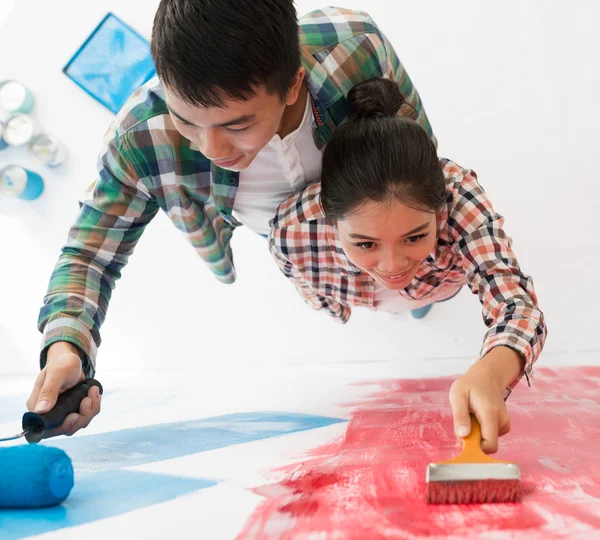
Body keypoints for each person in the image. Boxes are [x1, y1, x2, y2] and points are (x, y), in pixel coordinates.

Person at [26, 1, 435, 438]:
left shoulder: (358, 46)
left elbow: (419, 152)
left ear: (293, 84)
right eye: (187, 121)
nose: (212, 148)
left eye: (237, 126)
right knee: (333, 281)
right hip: (284, 233)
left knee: (413, 275)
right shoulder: (139, 137)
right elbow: (91, 254)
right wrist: (67, 346)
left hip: (375, 197)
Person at [269, 77, 547, 453]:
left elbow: (517, 304)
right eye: (365, 243)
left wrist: (493, 371)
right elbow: (309, 290)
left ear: (439, 211)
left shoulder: (458, 196)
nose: (394, 265)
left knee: (422, 294)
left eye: (415, 236)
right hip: (360, 296)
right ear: (330, 219)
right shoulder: (292, 232)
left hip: (438, 283)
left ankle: (422, 299)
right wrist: (336, 309)